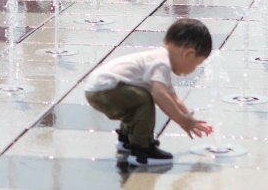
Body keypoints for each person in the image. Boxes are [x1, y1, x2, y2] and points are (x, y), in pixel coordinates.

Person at [84, 18, 213, 167]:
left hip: (98, 88)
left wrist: (190, 119)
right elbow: (160, 95)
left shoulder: (160, 60)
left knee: (136, 99)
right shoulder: (161, 63)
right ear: (188, 54)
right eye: (197, 64)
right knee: (144, 99)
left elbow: (174, 98)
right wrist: (182, 120)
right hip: (104, 90)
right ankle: (142, 150)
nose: (194, 69)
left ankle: (127, 140)